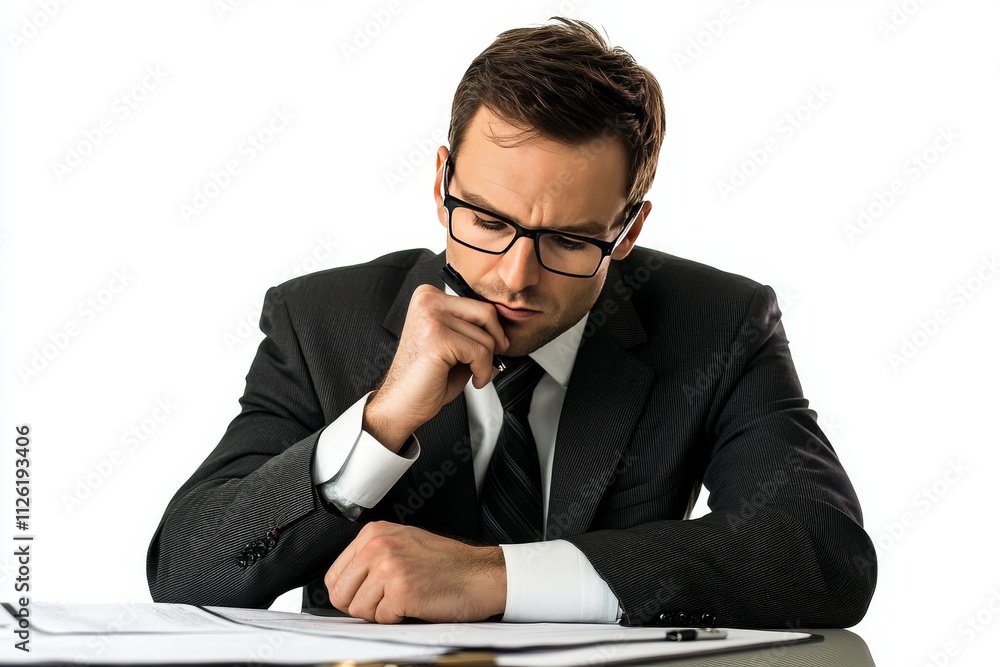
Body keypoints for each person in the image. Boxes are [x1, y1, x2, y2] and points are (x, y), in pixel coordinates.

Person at [147, 17, 876, 627]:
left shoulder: (720, 325)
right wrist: (380, 421)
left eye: (568, 239)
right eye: (489, 220)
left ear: (626, 231)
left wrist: (497, 577)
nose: (514, 275)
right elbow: (187, 571)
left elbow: (822, 549)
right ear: (442, 184)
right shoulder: (319, 321)